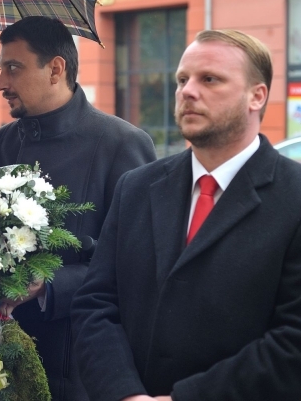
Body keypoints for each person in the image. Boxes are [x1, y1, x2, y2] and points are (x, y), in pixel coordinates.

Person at [0, 16, 156, 401]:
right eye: (0, 67)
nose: (0, 83)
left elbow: (136, 266)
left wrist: (47, 287)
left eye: (14, 67)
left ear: (56, 69)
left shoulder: (121, 144)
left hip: (81, 365)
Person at [71, 30, 301, 401]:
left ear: (257, 96)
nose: (188, 91)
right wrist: (124, 393)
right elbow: (95, 303)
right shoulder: (136, 188)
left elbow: (293, 341)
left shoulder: (293, 197)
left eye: (210, 79)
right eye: (182, 79)